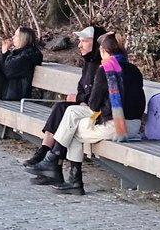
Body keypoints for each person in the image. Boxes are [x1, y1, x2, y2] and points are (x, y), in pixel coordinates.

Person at [29, 31, 145, 194]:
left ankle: (61, 168)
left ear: (104, 51)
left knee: (73, 125)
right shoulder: (134, 69)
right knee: (72, 116)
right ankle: (60, 169)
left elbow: (94, 105)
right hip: (134, 125)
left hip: (117, 127)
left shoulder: (105, 69)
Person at [23, 24, 106, 168]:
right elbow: (82, 88)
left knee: (65, 110)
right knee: (61, 108)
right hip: (86, 107)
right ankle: (46, 152)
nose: (79, 45)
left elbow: (98, 97)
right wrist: (80, 99)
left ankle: (52, 158)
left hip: (98, 112)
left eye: (84, 41)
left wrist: (78, 99)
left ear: (97, 43)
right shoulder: (88, 63)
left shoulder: (103, 66)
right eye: (79, 41)